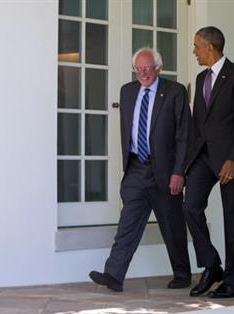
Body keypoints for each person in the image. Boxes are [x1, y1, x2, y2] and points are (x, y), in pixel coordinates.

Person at [89, 48, 192, 292]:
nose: (143, 73)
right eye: (138, 68)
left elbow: (184, 136)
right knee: (127, 224)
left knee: (172, 225)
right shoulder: (127, 91)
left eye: (148, 68)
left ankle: (182, 274)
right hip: (136, 167)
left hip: (166, 171)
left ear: (158, 68)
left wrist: (179, 171)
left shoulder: (175, 92)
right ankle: (114, 275)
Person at [183, 26, 234, 299]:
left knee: (233, 220)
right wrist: (189, 160)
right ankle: (212, 265)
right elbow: (198, 123)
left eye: (196, 46)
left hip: (230, 159)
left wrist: (232, 159)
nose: (194, 52)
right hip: (203, 156)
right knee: (190, 208)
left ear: (210, 47)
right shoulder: (202, 77)